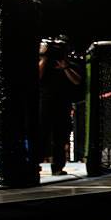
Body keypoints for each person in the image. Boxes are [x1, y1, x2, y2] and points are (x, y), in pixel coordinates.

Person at [38, 35, 81, 176]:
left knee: (60, 137)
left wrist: (65, 67)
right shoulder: (45, 63)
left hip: (63, 104)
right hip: (45, 102)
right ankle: (34, 164)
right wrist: (44, 56)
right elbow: (37, 76)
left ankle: (57, 167)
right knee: (41, 135)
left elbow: (77, 81)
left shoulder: (71, 64)